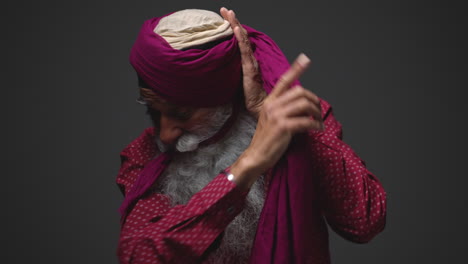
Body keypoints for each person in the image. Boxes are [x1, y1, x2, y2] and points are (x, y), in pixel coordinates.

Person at [116, 7, 386, 264]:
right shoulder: (145, 153)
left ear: (224, 97)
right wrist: (247, 165)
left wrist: (293, 131)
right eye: (153, 111)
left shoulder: (299, 119)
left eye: (182, 114)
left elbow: (365, 221)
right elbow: (140, 255)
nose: (165, 133)